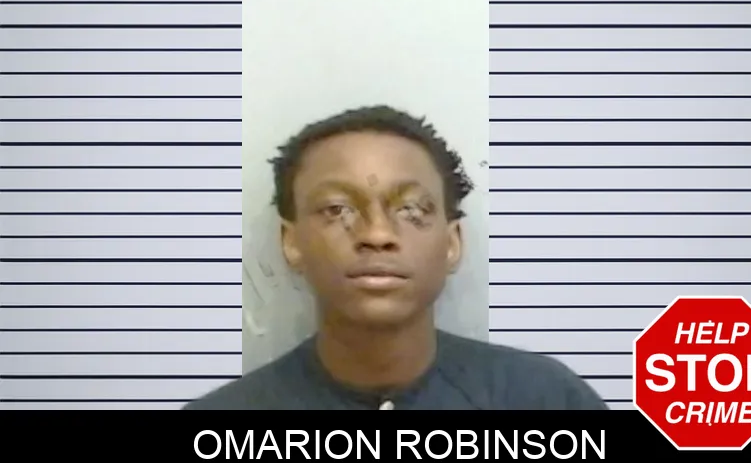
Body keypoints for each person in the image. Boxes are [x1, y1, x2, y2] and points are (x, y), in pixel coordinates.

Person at [184, 105, 608, 410]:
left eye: (411, 210)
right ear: (291, 242)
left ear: (452, 242)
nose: (377, 235)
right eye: (337, 209)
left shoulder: (544, 400)